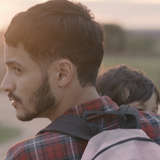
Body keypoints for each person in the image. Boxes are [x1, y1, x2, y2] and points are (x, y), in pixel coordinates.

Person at [1, 0, 160, 159]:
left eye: (17, 69)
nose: (5, 85)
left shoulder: (30, 155)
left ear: (62, 73)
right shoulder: (154, 128)